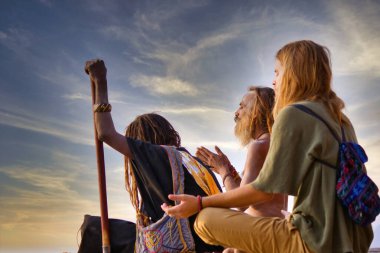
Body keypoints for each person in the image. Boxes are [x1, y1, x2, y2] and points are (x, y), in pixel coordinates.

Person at [161, 40, 374, 253]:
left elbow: (263, 191)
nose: (274, 81)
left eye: (277, 72)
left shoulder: (294, 114)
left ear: (293, 73)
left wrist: (199, 203)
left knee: (204, 220)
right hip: (353, 240)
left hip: (314, 240)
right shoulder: (341, 120)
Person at [84, 60, 224, 252]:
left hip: (189, 247)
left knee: (93, 228)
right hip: (216, 243)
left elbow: (106, 133)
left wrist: (100, 80)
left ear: (142, 141)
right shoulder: (193, 162)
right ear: (170, 132)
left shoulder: (157, 155)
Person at [196, 86, 287, 253]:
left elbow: (242, 205)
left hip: (260, 230)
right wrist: (230, 171)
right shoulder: (274, 143)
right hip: (273, 226)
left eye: (242, 106)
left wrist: (224, 172)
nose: (236, 113)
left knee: (202, 220)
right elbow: (254, 191)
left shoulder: (258, 146)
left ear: (257, 112)